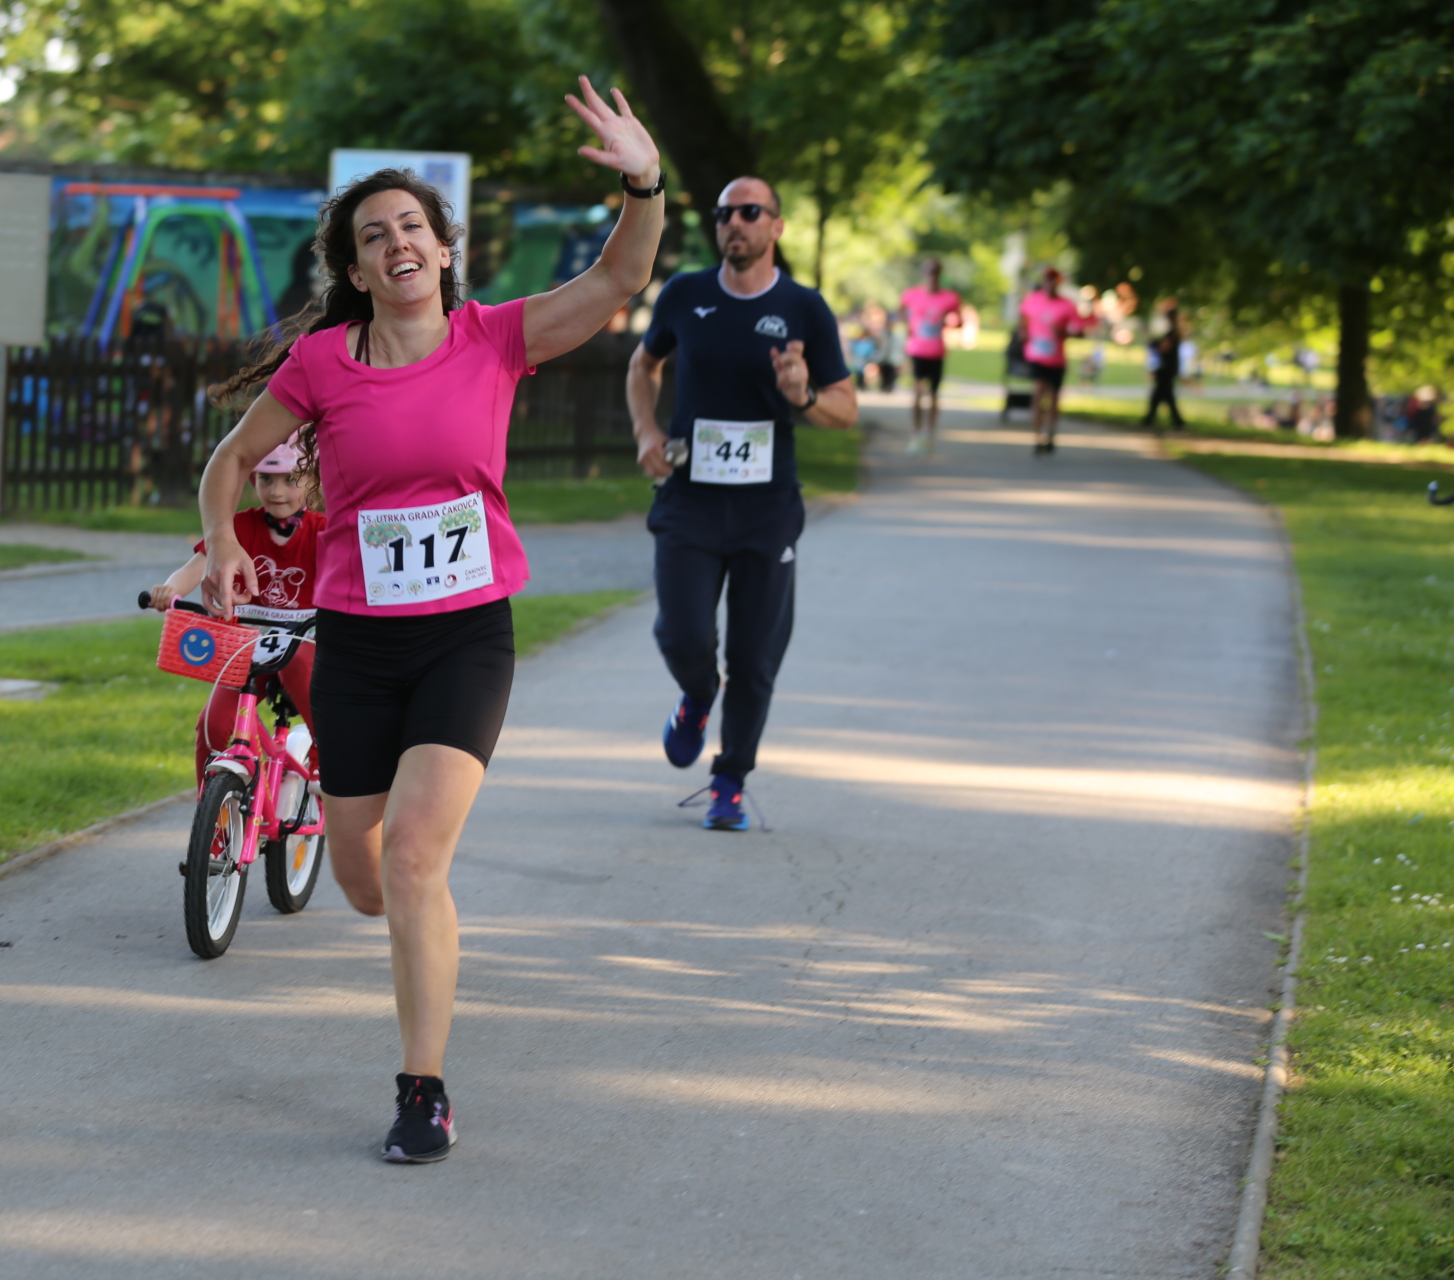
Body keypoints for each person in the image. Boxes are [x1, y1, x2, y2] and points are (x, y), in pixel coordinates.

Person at [192, 76, 663, 1164]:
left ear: (443, 250)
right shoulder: (322, 363)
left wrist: (644, 182)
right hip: (357, 642)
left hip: (465, 635)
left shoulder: (496, 339)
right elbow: (230, 461)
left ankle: (423, 1089)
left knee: (413, 858)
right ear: (356, 272)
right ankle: (332, 831)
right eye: (374, 235)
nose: (397, 242)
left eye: (412, 226)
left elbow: (620, 275)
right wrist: (220, 540)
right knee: (364, 885)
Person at [626, 176, 856, 832]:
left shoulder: (805, 309)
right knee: (683, 634)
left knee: (755, 657)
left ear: (776, 226)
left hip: (767, 508)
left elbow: (845, 409)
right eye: (725, 212)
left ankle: (730, 779)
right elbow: (642, 366)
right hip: (690, 501)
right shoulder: (685, 294)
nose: (734, 222)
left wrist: (802, 394)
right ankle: (698, 694)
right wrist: (646, 432)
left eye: (750, 212)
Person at [150, 435, 326, 782]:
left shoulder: (323, 531)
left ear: (312, 481)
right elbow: (198, 566)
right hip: (248, 645)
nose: (276, 492)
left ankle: (325, 754)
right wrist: (170, 589)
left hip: (305, 642)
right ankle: (210, 807)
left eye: (290, 480)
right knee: (212, 725)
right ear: (252, 479)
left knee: (300, 670)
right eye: (266, 479)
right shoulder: (239, 528)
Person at [1018, 266, 1091, 454]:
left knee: (1053, 398)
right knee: (1038, 392)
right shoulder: (1032, 300)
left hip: (1056, 359)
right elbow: (1023, 321)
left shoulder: (1067, 305)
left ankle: (1050, 434)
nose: (1049, 283)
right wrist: (1024, 334)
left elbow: (1080, 331)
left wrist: (1063, 332)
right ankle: (1037, 436)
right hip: (1036, 355)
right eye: (1046, 279)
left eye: (1053, 280)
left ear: (1058, 283)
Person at [899, 258, 962, 454]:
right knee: (917, 391)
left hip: (937, 351)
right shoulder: (912, 294)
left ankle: (928, 433)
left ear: (939, 274)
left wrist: (947, 323)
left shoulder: (949, 298)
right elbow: (901, 311)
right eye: (929, 271)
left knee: (934, 394)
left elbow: (959, 320)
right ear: (924, 273)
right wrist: (910, 327)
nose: (932, 276)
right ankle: (916, 432)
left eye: (935, 272)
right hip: (917, 350)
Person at [1141, 308, 1185, 429]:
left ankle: (1151, 419)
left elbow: (1163, 348)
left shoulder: (1171, 334)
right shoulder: (1174, 333)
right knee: (1165, 396)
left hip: (1166, 370)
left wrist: (1152, 343)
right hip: (1168, 369)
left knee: (1159, 395)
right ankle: (1176, 422)